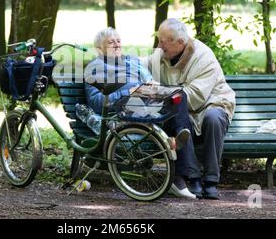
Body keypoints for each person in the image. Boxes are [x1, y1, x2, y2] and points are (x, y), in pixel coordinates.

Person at [84, 27, 196, 199]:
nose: (116, 44)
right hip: (124, 112)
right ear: (99, 49)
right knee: (165, 111)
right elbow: (97, 103)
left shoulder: (132, 61)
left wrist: (153, 89)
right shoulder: (95, 68)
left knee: (179, 94)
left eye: (118, 40)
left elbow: (151, 81)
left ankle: (178, 139)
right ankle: (182, 175)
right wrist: (130, 91)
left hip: (148, 106)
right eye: (110, 42)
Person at [144, 18, 236, 200]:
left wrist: (163, 93)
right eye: (159, 39)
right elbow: (142, 64)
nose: (159, 45)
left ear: (180, 42)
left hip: (212, 103)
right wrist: (120, 63)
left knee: (213, 118)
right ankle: (192, 176)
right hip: (182, 112)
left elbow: (195, 97)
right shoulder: (162, 54)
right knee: (175, 114)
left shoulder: (203, 56)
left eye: (164, 41)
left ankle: (210, 181)